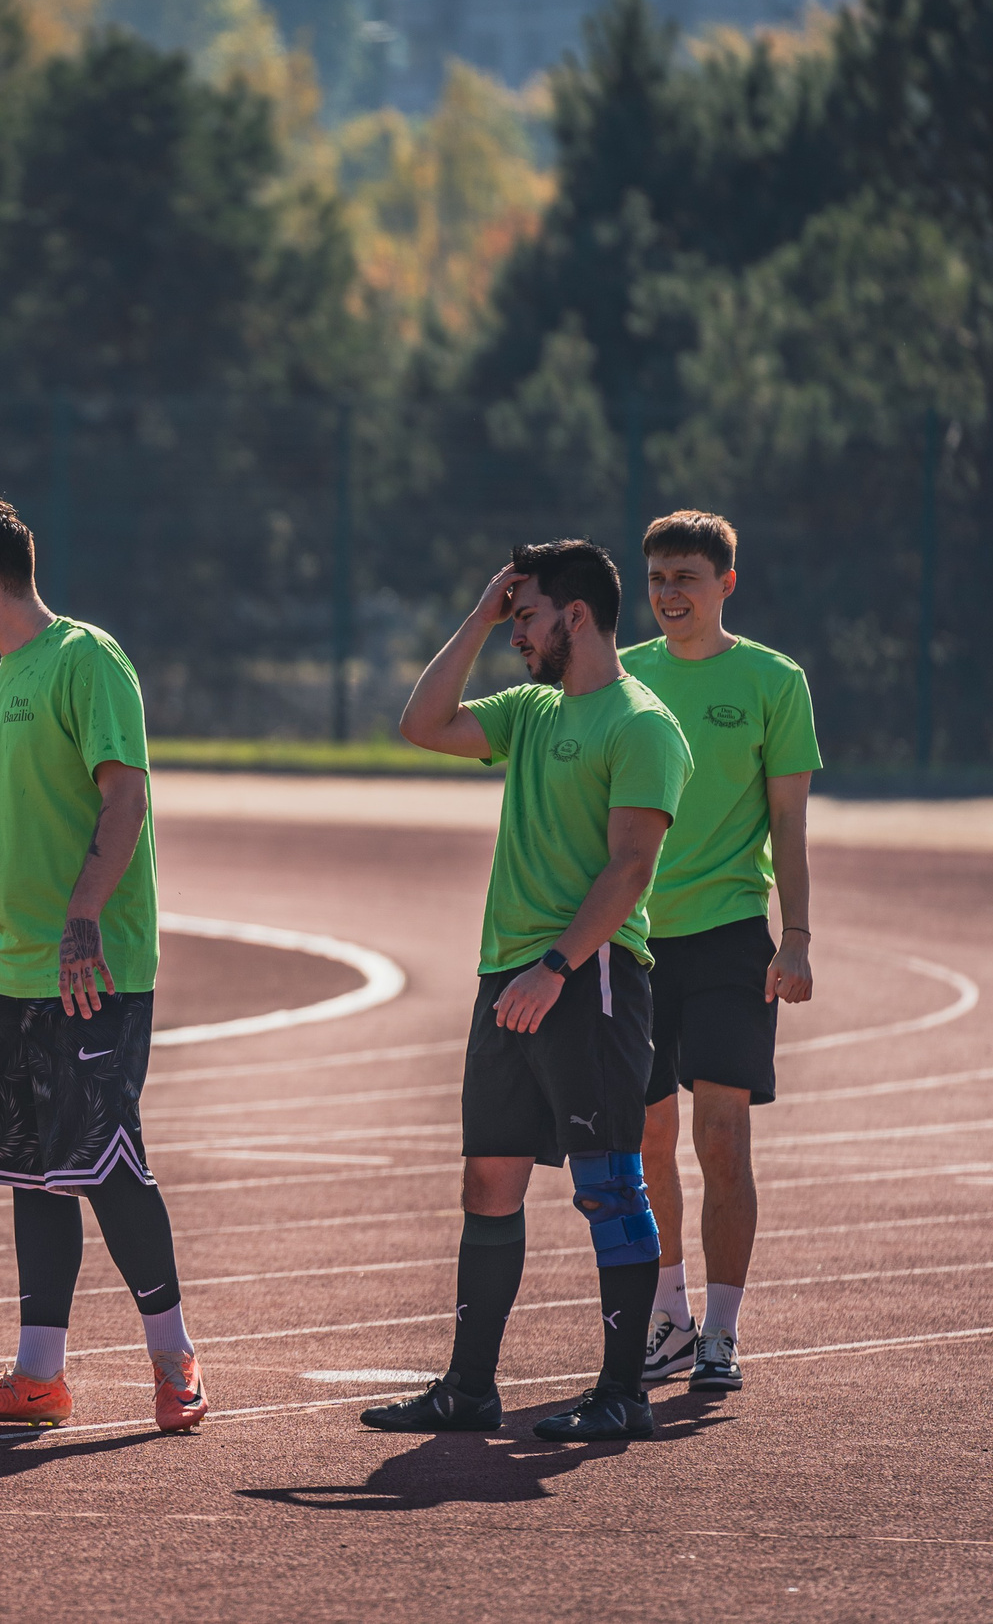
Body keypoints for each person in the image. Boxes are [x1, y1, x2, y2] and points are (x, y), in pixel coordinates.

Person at [364, 539, 692, 1443]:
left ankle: (623, 1391)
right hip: (507, 978)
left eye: (525, 617)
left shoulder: (642, 723)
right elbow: (422, 724)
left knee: (609, 1185)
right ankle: (470, 1388)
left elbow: (631, 868)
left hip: (588, 981)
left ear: (575, 616)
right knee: (489, 1179)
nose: (517, 635)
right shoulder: (531, 711)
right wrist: (475, 616)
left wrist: (557, 968)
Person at [0, 495, 208, 1436]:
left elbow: (126, 799)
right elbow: (13, 833)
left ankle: (175, 1357)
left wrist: (83, 916)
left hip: (92, 971)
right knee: (33, 1173)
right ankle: (39, 1376)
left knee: (107, 1165)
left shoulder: (87, 659)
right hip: (11, 970)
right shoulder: (0, 682)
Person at [622, 511, 822, 1396]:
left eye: (687, 579)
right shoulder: (621, 677)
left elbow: (789, 824)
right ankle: (669, 1317)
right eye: (659, 578)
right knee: (648, 1136)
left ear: (725, 583)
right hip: (634, 940)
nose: (670, 594)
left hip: (733, 936)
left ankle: (723, 1333)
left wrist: (799, 937)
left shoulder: (774, 680)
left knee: (723, 1136)